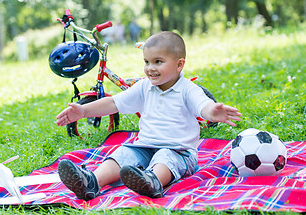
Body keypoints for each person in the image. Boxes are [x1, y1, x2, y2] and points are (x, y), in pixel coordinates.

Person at [56, 31, 242, 201]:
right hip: (145, 146)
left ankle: (152, 182)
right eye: (147, 62)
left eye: (158, 62)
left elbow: (203, 105)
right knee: (123, 154)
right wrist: (84, 111)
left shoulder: (187, 90)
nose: (150, 68)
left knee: (165, 157)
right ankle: (91, 182)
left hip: (179, 152)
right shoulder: (144, 87)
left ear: (179, 64)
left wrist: (212, 112)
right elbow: (114, 103)